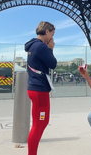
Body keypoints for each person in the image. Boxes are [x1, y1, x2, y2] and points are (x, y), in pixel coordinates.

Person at [24, 21, 57, 155]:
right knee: (39, 124)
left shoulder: (32, 45)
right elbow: (53, 64)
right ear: (47, 31)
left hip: (34, 87)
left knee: (42, 121)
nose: (52, 38)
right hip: (39, 89)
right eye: (52, 34)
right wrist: (51, 48)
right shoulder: (42, 47)